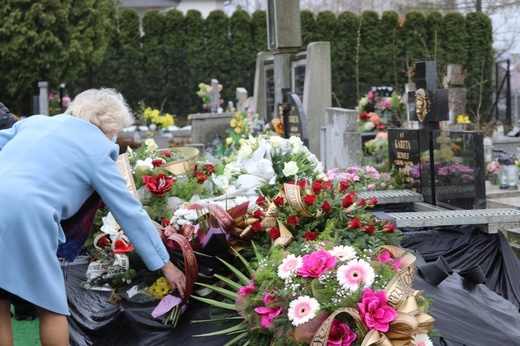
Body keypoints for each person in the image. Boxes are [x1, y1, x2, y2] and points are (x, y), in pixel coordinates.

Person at [0, 88, 186, 346]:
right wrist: (167, 265)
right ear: (110, 124)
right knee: (51, 306)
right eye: (116, 131)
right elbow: (129, 212)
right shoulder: (99, 149)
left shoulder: (35, 122)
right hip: (29, 217)